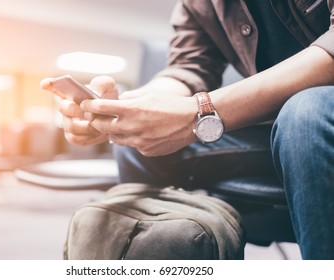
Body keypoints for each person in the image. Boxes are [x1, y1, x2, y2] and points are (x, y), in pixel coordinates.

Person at [58, 1, 334, 259]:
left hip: (311, 120)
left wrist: (200, 111)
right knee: (136, 146)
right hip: (277, 128)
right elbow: (189, 66)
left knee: (306, 113)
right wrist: (131, 110)